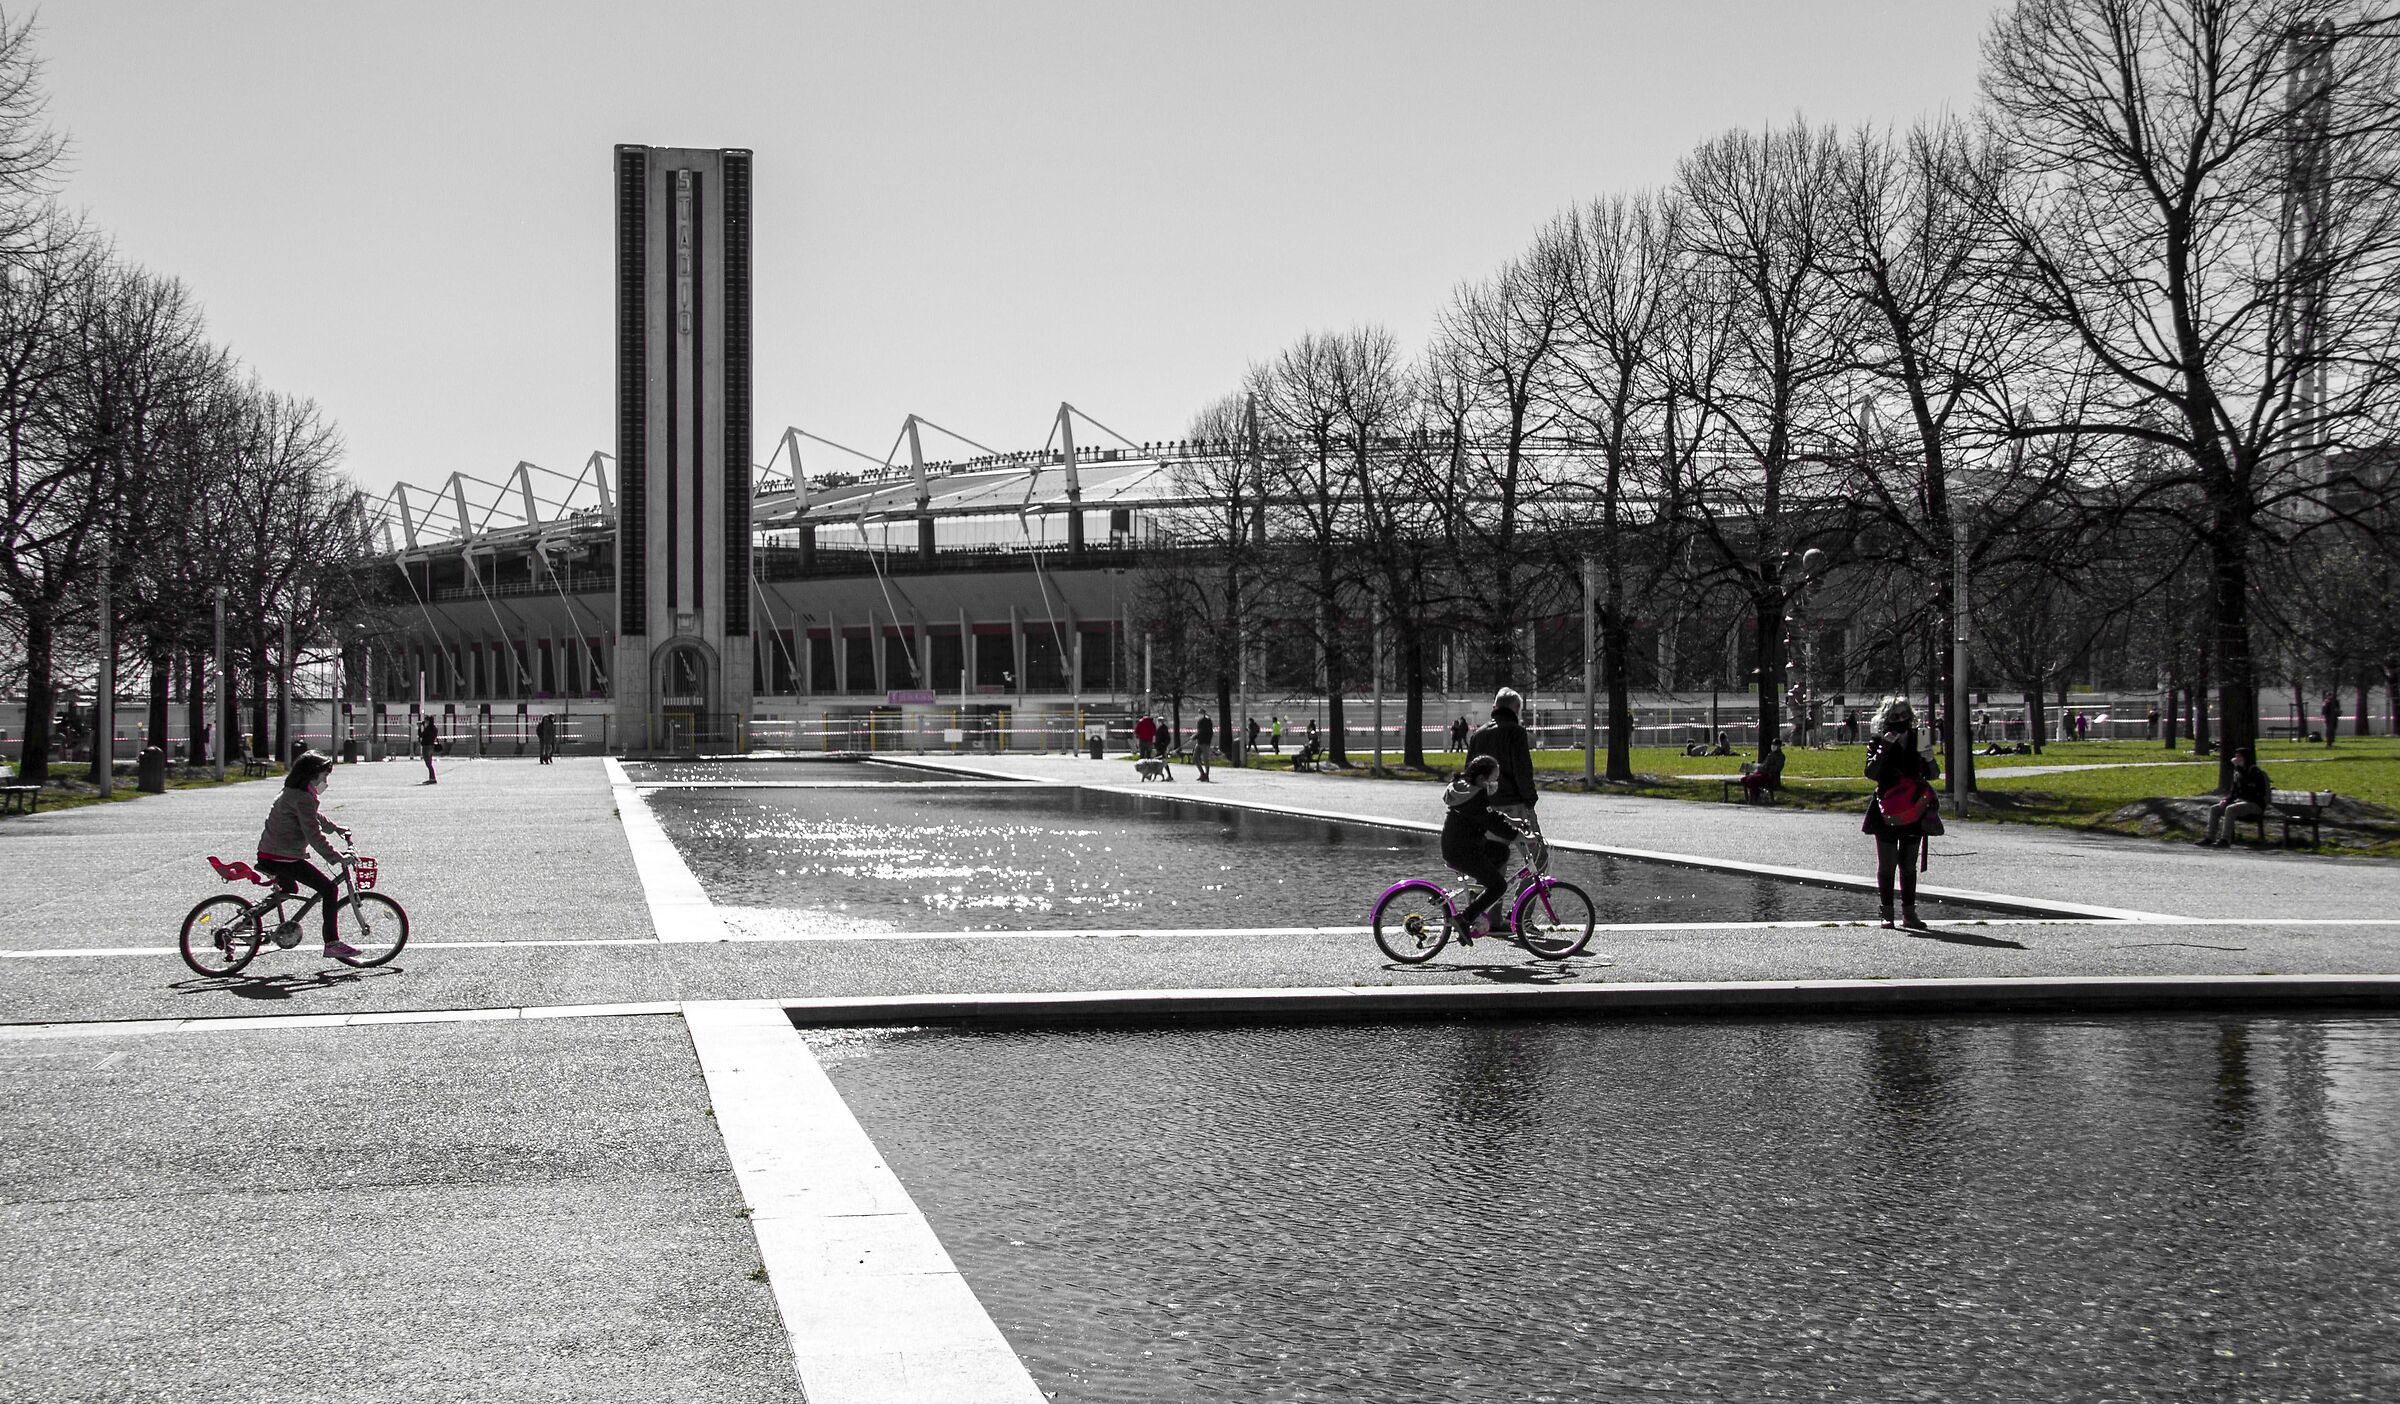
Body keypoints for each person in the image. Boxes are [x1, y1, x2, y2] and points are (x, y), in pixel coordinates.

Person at [253, 750, 363, 961]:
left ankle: (251, 918)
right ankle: (332, 943)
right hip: (283, 857)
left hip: (270, 853)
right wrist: (336, 856)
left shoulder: (293, 791)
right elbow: (313, 834)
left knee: (289, 889)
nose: (325, 781)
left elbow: (313, 816)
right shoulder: (303, 797)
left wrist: (335, 828)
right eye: (324, 776)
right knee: (329, 889)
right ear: (312, 775)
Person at [1863, 695, 1942, 929]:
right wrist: (1886, 746)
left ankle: (1909, 913)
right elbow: (1871, 772)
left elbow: (1933, 774)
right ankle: (1886, 913)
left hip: (1914, 808)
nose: (1901, 719)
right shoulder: (1879, 740)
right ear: (1887, 718)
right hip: (1886, 808)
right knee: (1887, 864)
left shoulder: (1920, 738)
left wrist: (1929, 759)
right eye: (1895, 716)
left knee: (1908, 864)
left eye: (1904, 714)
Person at [1466, 688, 1540, 907]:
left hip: (1488, 808)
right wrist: (1530, 801)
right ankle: (1521, 912)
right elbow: (1522, 771)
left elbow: (1470, 772)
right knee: (1538, 857)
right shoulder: (1516, 732)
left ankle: (1487, 915)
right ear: (1516, 708)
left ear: (1495, 707)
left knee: (1493, 864)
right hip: (1515, 805)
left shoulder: (1479, 734)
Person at [1440, 755, 1526, 943]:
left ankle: (1478, 895)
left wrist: (1509, 820)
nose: (1495, 784)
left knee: (1501, 852)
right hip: (1463, 851)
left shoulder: (1466, 789)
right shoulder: (1475, 796)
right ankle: (1465, 919)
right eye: (1493, 779)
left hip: (1461, 845)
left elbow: (1487, 815)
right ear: (1481, 778)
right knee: (1499, 886)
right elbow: (1492, 823)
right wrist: (1520, 836)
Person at [2200, 747, 2271, 847]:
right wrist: (2226, 800)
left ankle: (2225, 840)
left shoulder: (2255, 772)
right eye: (2236, 756)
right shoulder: (2238, 773)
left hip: (2255, 804)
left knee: (2230, 809)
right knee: (2215, 809)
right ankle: (2210, 838)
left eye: (2239, 757)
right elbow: (2234, 792)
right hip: (2241, 803)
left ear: (2246, 758)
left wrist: (2239, 769)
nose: (2236, 759)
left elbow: (2251, 791)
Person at [417, 713, 440, 785]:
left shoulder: (428, 729)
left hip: (426, 747)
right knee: (430, 763)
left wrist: (419, 728)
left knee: (428, 764)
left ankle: (432, 778)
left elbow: (421, 735)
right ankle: (432, 778)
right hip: (431, 746)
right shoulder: (434, 729)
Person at [1193, 713, 1214, 782]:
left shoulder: (1206, 722)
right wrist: (1196, 736)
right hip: (1199, 742)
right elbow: (1200, 732)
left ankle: (1206, 775)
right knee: (1195, 758)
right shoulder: (1201, 721)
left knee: (1205, 759)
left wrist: (1195, 736)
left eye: (1200, 713)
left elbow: (1201, 732)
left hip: (1205, 743)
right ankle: (1202, 774)